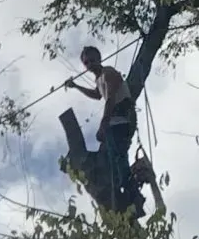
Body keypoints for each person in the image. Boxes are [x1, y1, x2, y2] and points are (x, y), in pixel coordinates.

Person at [67, 45, 160, 212]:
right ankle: (126, 187)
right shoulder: (99, 80)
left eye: (92, 60)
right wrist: (75, 86)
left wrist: (103, 123)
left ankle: (131, 192)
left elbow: (109, 99)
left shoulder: (108, 73)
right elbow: (97, 95)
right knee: (113, 158)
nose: (90, 64)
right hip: (116, 120)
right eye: (86, 62)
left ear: (99, 58)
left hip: (121, 117)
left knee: (118, 156)